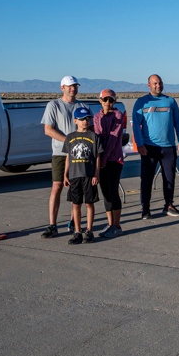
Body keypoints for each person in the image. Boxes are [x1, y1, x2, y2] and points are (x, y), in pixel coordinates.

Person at [131, 74, 179, 219]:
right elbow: (136, 125)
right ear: (148, 85)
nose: (158, 86)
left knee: (169, 178)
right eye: (154, 83)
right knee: (147, 179)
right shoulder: (142, 102)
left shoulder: (170, 101)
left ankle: (168, 205)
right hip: (149, 147)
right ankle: (146, 208)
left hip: (168, 147)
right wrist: (140, 144)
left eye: (160, 83)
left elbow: (177, 122)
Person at [40, 75, 85, 238]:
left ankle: (74, 222)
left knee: (76, 188)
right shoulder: (53, 105)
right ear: (62, 87)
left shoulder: (82, 106)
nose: (73, 89)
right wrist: (69, 141)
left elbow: (90, 127)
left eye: (75, 86)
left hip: (79, 154)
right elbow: (48, 129)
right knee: (57, 186)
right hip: (60, 153)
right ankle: (52, 224)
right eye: (70, 86)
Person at [62, 106, 101, 245]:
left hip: (89, 175)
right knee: (75, 204)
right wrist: (65, 175)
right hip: (74, 175)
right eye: (82, 119)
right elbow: (68, 156)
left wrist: (96, 173)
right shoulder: (70, 137)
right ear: (75, 121)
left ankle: (89, 231)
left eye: (88, 118)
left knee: (89, 203)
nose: (85, 121)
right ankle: (77, 231)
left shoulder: (93, 136)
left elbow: (97, 156)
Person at [93, 89, 126, 238]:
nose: (108, 103)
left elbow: (113, 139)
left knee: (113, 191)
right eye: (105, 100)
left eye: (111, 100)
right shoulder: (97, 117)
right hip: (101, 160)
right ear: (100, 100)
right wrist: (99, 160)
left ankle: (117, 225)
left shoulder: (118, 115)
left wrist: (103, 160)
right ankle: (110, 223)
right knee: (105, 193)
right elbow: (98, 135)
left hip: (114, 160)